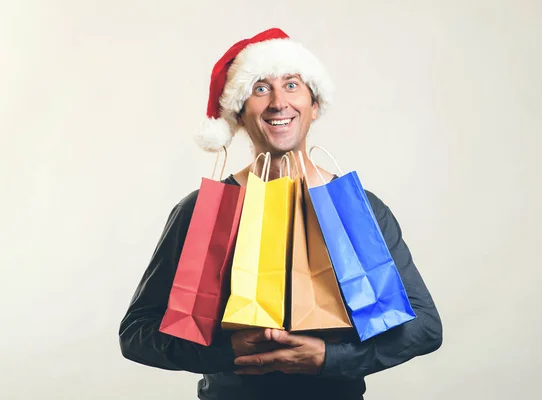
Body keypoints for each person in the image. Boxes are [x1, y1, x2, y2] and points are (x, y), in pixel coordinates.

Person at [118, 27, 443, 400]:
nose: (277, 102)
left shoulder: (357, 207)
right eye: (260, 89)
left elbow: (425, 328)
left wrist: (329, 358)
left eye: (291, 85)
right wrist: (228, 353)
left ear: (314, 104)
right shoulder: (202, 210)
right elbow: (137, 332)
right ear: (239, 112)